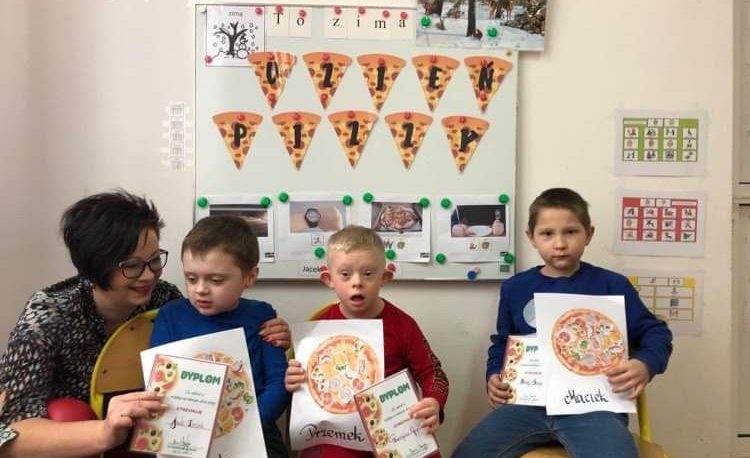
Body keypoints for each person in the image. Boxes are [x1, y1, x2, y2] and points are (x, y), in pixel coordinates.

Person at [0, 190, 290, 458]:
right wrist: (103, 432)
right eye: (132, 266)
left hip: (177, 434)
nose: (149, 275)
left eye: (154, 260)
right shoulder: (48, 315)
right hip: (79, 436)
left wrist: (274, 335)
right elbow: (9, 434)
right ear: (94, 267)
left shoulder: (164, 298)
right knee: (67, 411)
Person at [452, 188, 673, 458]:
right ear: (531, 237)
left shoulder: (612, 285)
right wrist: (494, 375)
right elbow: (503, 342)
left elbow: (655, 332)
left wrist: (644, 364)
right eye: (547, 233)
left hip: (594, 409)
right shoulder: (515, 288)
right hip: (527, 407)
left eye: (570, 232)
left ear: (588, 234)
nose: (559, 243)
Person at [285, 225, 450, 458]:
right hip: (340, 434)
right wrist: (295, 380)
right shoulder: (317, 328)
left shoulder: (402, 325)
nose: (357, 282)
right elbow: (305, 386)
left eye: (368, 274)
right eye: (345, 274)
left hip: (394, 426)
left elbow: (433, 372)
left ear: (385, 278)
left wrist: (434, 401)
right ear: (328, 279)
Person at [150, 215, 289, 457]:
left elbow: (278, 382)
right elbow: (157, 383)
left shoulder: (261, 315)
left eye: (216, 280)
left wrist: (248, 426)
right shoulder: (171, 315)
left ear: (250, 277)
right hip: (185, 431)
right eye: (191, 278)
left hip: (253, 430)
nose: (200, 289)